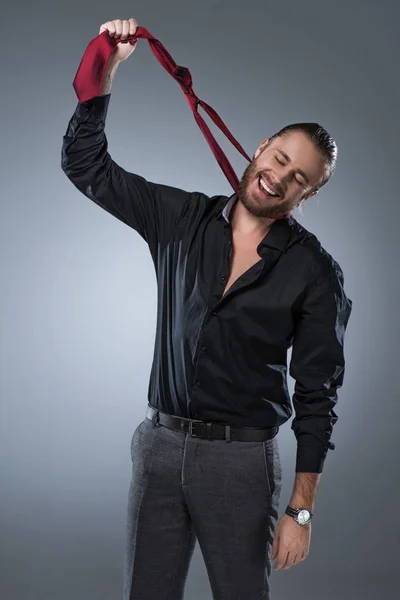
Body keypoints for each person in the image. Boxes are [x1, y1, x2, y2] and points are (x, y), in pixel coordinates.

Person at [61, 17, 353, 600]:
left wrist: (301, 510)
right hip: (159, 449)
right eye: (279, 158)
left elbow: (318, 394)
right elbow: (87, 167)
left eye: (298, 179)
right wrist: (106, 72)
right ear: (263, 145)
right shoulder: (181, 218)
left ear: (307, 195)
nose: (278, 178)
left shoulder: (315, 273)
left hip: (241, 463)